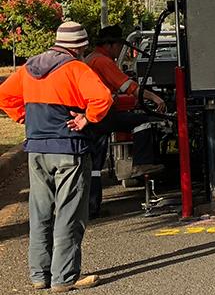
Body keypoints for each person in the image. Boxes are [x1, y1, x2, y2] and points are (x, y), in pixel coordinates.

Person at [0, 22, 109, 292]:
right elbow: (103, 98)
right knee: (70, 213)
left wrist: (23, 117)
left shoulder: (29, 68)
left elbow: (4, 96)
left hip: (36, 149)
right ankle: (64, 277)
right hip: (69, 149)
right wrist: (87, 118)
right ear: (80, 47)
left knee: (40, 212)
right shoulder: (76, 68)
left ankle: (39, 276)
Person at [83, 26, 168, 218]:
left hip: (91, 115)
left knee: (95, 165)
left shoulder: (90, 59)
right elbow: (128, 86)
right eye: (118, 46)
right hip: (102, 113)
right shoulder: (103, 61)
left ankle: (92, 207)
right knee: (141, 121)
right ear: (110, 45)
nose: (119, 51)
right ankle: (142, 163)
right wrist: (154, 98)